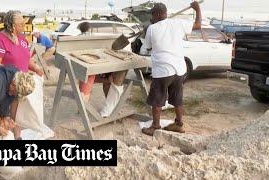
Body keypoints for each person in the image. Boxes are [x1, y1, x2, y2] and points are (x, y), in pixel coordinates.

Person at [141, 2, 202, 136]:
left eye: (152, 14)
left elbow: (147, 48)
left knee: (157, 100)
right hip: (179, 70)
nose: (151, 17)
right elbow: (198, 25)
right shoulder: (178, 23)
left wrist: (148, 31)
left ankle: (155, 126)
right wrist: (197, 9)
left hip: (163, 70)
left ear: (157, 14)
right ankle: (179, 124)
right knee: (177, 99)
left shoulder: (152, 28)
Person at [0, 10, 44, 140]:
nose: (24, 26)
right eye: (21, 24)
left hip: (19, 87)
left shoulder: (22, 39)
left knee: (16, 115)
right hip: (5, 87)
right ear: (13, 26)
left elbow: (26, 58)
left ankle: (17, 138)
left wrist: (35, 68)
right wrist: (15, 75)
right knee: (0, 118)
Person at [77, 22, 127, 117]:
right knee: (104, 79)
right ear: (89, 28)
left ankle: (82, 109)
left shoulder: (77, 37)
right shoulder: (95, 37)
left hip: (86, 66)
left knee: (88, 78)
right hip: (96, 65)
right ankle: (109, 107)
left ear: (80, 29)